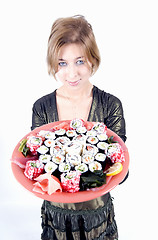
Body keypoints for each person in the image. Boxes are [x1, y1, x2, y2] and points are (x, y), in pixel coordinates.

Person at [31, 15, 127, 240]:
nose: (71, 73)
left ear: (93, 60)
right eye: (62, 63)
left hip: (97, 218)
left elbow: (120, 169)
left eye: (80, 61)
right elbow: (38, 168)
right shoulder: (41, 107)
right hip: (56, 219)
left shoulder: (111, 105)